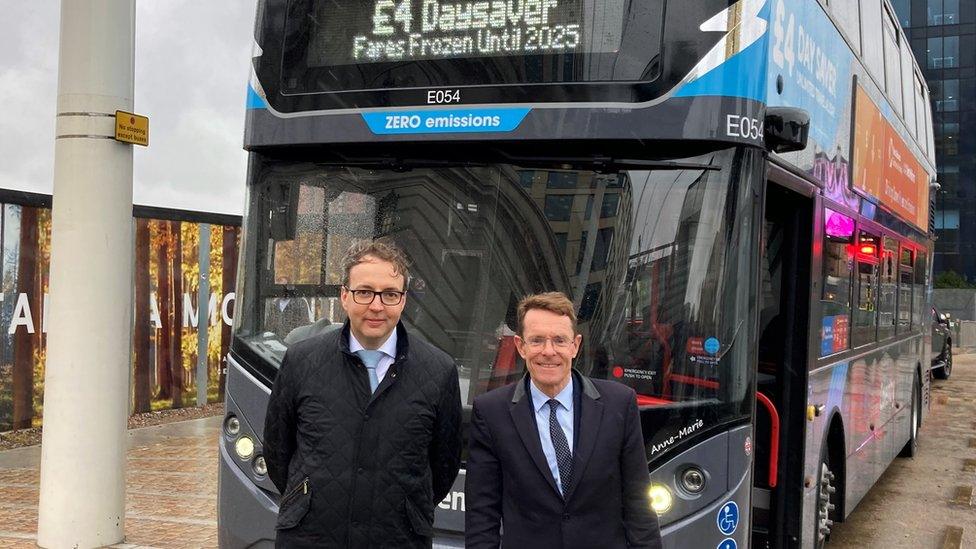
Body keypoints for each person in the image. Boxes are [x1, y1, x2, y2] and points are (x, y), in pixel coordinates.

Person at [263, 240, 462, 548]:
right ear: (344, 296)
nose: (377, 306)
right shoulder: (301, 360)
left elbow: (443, 467)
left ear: (403, 300)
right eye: (364, 292)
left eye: (390, 294)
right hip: (310, 537)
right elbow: (278, 452)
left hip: (398, 538)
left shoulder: (439, 371)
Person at [465, 292, 662, 549]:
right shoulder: (491, 412)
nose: (549, 351)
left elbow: (639, 502)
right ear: (520, 346)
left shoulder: (619, 404)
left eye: (559, 340)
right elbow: (482, 515)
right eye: (536, 340)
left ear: (575, 345)